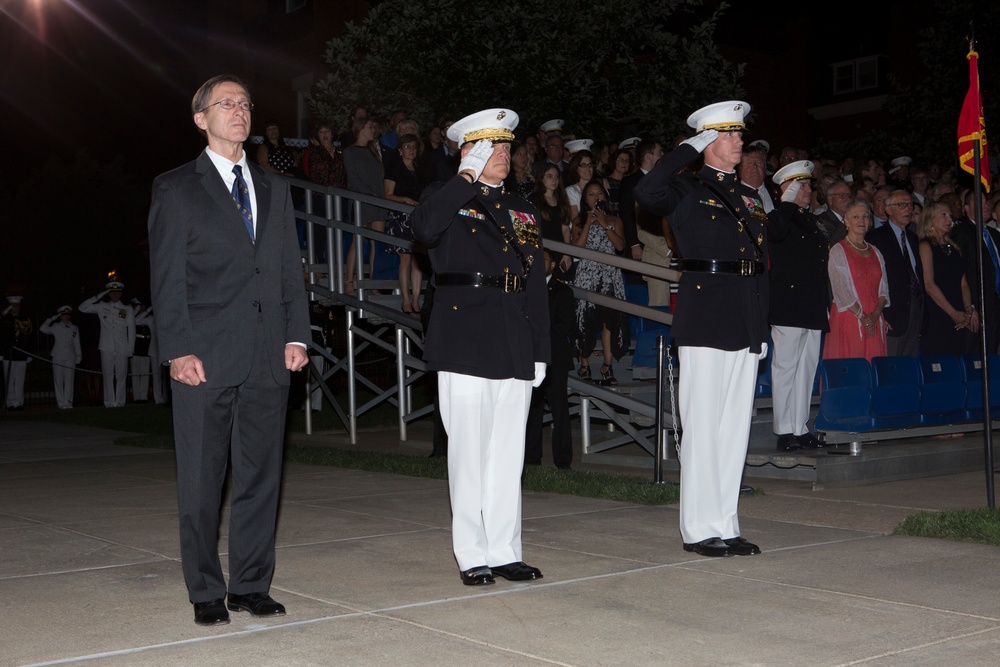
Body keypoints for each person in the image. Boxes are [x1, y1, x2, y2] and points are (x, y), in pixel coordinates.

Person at [147, 74, 310, 626]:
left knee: (261, 475)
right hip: (205, 357)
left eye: (244, 104)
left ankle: (250, 583)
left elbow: (289, 269)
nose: (238, 111)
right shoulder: (175, 188)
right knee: (201, 478)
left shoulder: (273, 187)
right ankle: (205, 590)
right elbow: (166, 278)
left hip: (269, 355)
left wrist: (297, 335)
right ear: (201, 118)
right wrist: (178, 350)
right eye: (225, 104)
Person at [412, 108, 550, 587]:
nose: (504, 155)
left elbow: (535, 282)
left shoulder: (523, 208)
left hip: (513, 334)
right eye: (493, 147)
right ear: (470, 150)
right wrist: (465, 175)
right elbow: (424, 229)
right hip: (465, 335)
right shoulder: (445, 196)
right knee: (468, 453)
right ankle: (472, 553)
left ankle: (505, 550)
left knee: (507, 455)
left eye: (508, 147)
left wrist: (540, 351)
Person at [634, 100, 768, 558]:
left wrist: (761, 328)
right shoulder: (687, 188)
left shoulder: (750, 197)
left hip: (744, 316)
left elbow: (758, 266)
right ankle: (698, 527)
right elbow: (647, 193)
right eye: (729, 135)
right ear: (708, 141)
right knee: (704, 425)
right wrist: (684, 150)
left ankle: (726, 522)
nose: (739, 141)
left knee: (734, 429)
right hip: (706, 315)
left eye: (739, 134)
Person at [767, 161, 830, 452]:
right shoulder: (779, 217)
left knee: (806, 369)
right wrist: (786, 202)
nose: (808, 191)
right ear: (787, 189)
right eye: (801, 186)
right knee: (786, 367)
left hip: (812, 303)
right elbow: (775, 234)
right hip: (789, 303)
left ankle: (800, 427)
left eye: (807, 185)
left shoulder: (809, 219)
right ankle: (783, 431)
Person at [572, 181, 629, 384]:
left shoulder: (615, 219)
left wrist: (605, 224)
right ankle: (584, 365)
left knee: (609, 320)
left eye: (599, 194)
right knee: (585, 319)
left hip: (609, 274)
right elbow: (576, 248)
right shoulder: (579, 221)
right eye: (590, 194)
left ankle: (607, 366)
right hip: (587, 274)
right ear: (584, 199)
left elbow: (620, 246)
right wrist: (588, 223)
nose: (595, 197)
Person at [525, 249, 575, 470]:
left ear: (553, 265)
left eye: (543, 260)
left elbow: (565, 324)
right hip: (530, 355)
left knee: (559, 408)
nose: (538, 263)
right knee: (532, 408)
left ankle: (563, 460)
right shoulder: (526, 288)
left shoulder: (562, 291)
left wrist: (539, 334)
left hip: (555, 358)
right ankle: (531, 457)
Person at [824, 200, 889, 361]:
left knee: (873, 369)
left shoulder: (876, 251)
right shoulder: (838, 250)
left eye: (865, 216)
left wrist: (874, 316)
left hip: (874, 318)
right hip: (849, 317)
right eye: (856, 216)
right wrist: (863, 317)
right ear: (846, 221)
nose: (861, 220)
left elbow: (883, 290)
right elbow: (841, 290)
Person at [866, 190, 923, 356]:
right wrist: (881, 313)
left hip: (915, 307)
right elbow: (872, 280)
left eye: (910, 205)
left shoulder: (912, 237)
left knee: (910, 362)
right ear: (888, 210)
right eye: (902, 205)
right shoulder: (876, 238)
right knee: (892, 364)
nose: (908, 210)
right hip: (892, 310)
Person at [917, 202, 978, 355]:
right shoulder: (925, 246)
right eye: (943, 215)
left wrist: (969, 309)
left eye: (949, 215)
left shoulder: (955, 247)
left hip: (959, 313)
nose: (949, 219)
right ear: (930, 220)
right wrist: (953, 313)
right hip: (938, 313)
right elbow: (929, 285)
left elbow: (963, 283)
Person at [343, 118, 387, 294]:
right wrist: (370, 195)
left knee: (377, 241)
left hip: (377, 202)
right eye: (370, 127)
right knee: (358, 240)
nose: (373, 130)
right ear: (360, 129)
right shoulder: (349, 152)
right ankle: (348, 281)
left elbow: (380, 177)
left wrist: (381, 197)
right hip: (361, 200)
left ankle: (373, 282)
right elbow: (353, 179)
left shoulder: (373, 152)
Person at [383, 132, 426, 312]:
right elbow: (387, 195)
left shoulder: (420, 169)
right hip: (400, 216)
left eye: (414, 147)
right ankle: (406, 300)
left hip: (417, 216)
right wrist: (404, 200)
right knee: (406, 258)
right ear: (400, 150)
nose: (411, 150)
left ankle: (416, 299)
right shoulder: (394, 168)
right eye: (407, 147)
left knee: (418, 259)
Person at [79, 282, 135, 408]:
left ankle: (120, 402)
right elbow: (82, 308)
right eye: (112, 292)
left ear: (121, 294)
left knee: (121, 376)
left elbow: (131, 330)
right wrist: (99, 296)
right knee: (107, 375)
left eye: (117, 292)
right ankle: (109, 402)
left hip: (122, 347)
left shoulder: (127, 309)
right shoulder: (101, 306)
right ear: (108, 293)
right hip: (106, 346)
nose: (115, 295)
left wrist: (130, 349)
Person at [39, 306, 82, 409]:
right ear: (60, 316)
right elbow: (42, 329)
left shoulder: (74, 327)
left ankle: (69, 402)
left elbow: (77, 343)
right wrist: (51, 319)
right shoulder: (55, 326)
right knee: (58, 380)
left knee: (69, 380)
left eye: (67, 315)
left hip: (71, 356)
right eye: (63, 315)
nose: (66, 317)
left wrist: (79, 355)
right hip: (58, 355)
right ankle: (61, 403)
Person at [1, 296, 33, 410]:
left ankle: (18, 402)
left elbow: (28, 337)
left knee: (20, 379)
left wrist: (29, 353)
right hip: (8, 353)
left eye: (18, 305)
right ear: (10, 307)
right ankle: (9, 403)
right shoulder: (5, 319)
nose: (16, 308)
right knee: (9, 379)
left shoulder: (24, 318)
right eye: (14, 306)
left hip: (21, 354)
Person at [130, 299, 153, 402]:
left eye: (143, 306)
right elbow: (135, 320)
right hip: (136, 347)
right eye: (139, 306)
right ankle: (137, 396)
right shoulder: (133, 317)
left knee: (145, 373)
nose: (142, 308)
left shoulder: (147, 318)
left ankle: (143, 396)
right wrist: (142, 310)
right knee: (135, 373)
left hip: (145, 347)